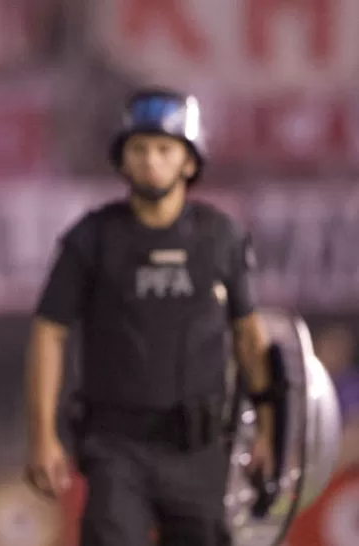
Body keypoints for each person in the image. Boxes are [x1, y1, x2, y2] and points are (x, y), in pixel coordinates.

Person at [25, 88, 277, 546]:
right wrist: (43, 435)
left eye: (165, 149)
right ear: (121, 159)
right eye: (138, 148)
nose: (150, 160)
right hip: (114, 448)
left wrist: (268, 428)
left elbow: (249, 338)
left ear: (189, 161)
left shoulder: (222, 239)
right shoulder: (90, 238)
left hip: (201, 450)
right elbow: (49, 333)